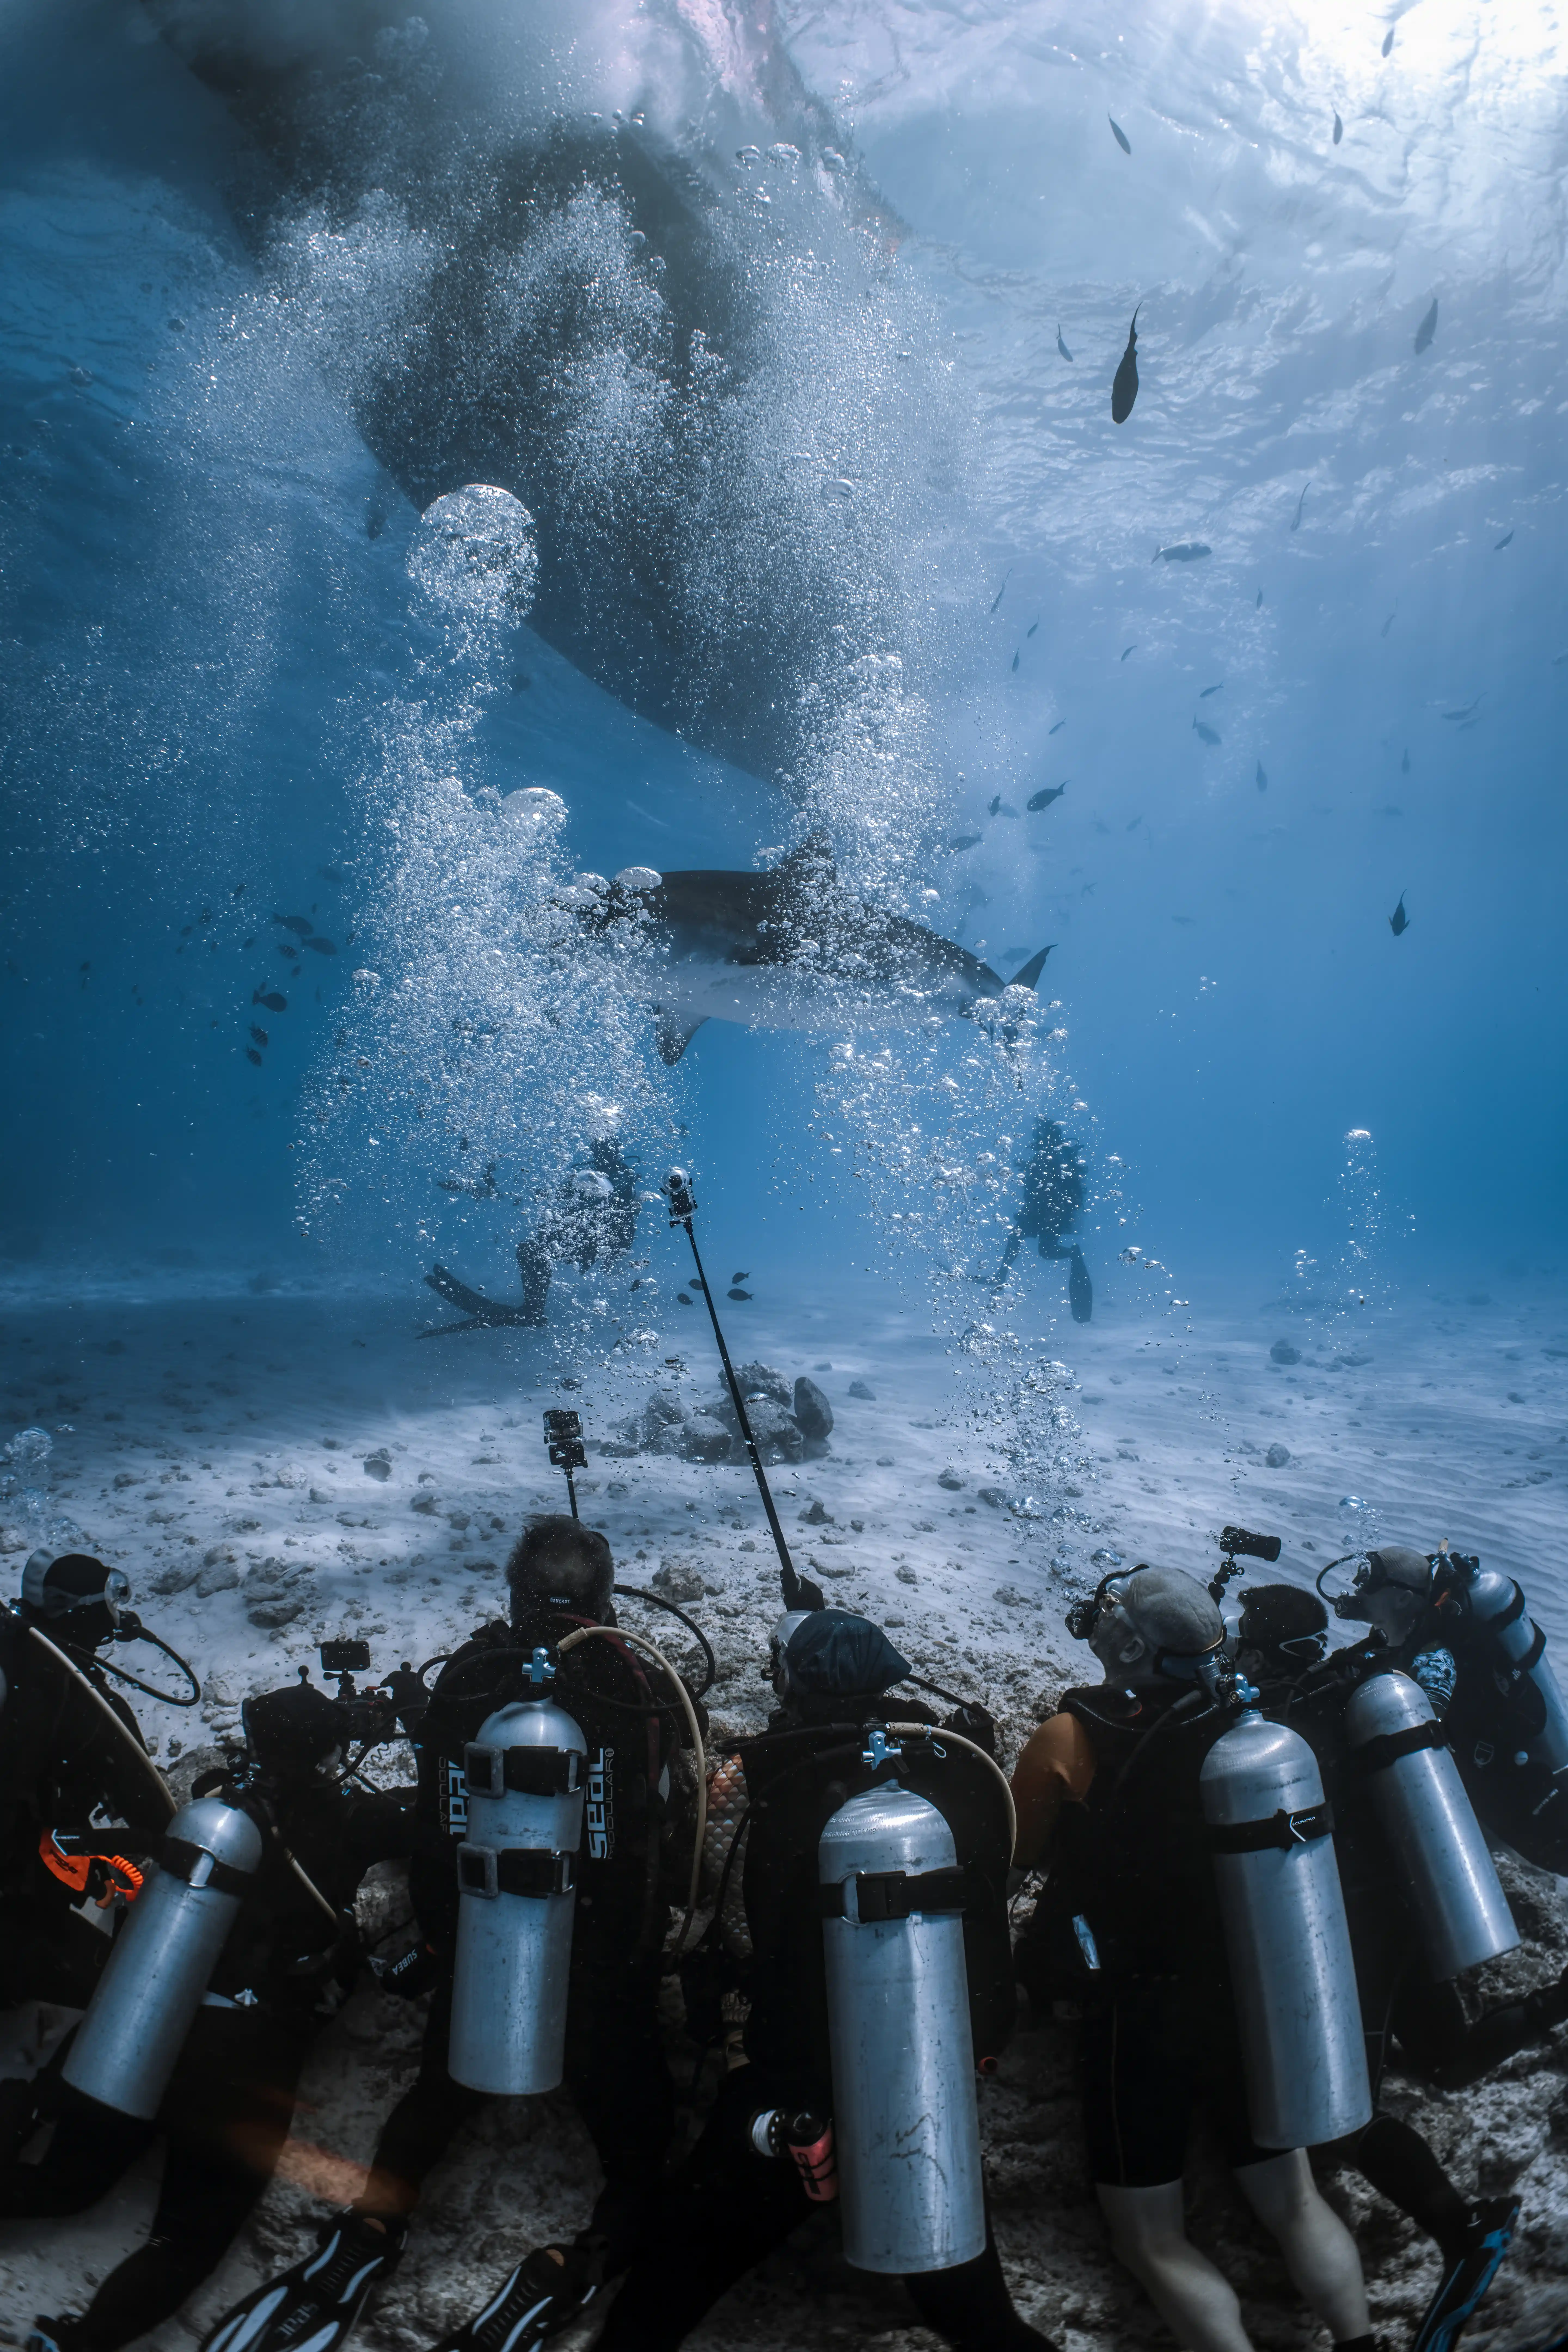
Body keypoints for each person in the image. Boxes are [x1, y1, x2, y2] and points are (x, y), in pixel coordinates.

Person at [201, 1514, 704, 2352]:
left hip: (488, 1950)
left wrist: (442, 1943)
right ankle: (580, 2258)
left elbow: (440, 1825)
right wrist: (635, 1955)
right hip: (603, 1970)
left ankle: (370, 2227)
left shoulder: (474, 1673)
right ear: (603, 1599)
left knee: (434, 2101)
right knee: (640, 2152)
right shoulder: (635, 1679)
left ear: (513, 1593)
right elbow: (659, 1829)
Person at [594, 1606, 1054, 2352]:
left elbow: (735, 1923)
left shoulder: (755, 1775)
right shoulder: (963, 1765)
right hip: (925, 2088)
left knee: (666, 2286)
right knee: (978, 2318)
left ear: (789, 1681)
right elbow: (989, 1895)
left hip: (795, 2083)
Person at [1010, 1564, 1374, 2352]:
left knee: (1151, 2238)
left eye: (1116, 1612)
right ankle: (1359, 2342)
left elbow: (1019, 1855)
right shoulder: (1250, 1732)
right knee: (1294, 2204)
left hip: (1137, 2013)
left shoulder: (1070, 1736)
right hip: (1245, 1994)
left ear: (1129, 1644)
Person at [14, 1674, 415, 2352]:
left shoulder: (216, 1805)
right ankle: (80, 2344)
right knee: (185, 2240)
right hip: (244, 2058)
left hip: (149, 2017)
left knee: (62, 2184)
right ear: (329, 1752)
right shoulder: (353, 1818)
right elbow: (433, 1827)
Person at [1238, 1580, 1568, 2352]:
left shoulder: (1275, 1730)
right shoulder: (1352, 1688)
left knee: (1343, 2113)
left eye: (1245, 1641)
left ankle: (1462, 2230)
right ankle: (1559, 2002)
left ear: (1260, 1653)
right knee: (1445, 2060)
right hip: (1412, 1898)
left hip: (1359, 1925)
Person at [0, 1553, 166, 2034]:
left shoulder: (12, 1652)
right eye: (113, 1597)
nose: (118, 1610)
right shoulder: (86, 1702)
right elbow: (153, 1810)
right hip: (17, 1896)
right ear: (83, 1609)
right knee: (126, 1989)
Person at [993, 1117, 1092, 1323]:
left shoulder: (1059, 1154)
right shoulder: (1049, 1154)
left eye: (1040, 1135)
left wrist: (1053, 1213)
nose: (1036, 1139)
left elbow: (1058, 1184)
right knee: (1021, 1238)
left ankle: (1073, 1254)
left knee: (1043, 1250)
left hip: (1051, 1212)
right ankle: (1001, 1275)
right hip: (1041, 1211)